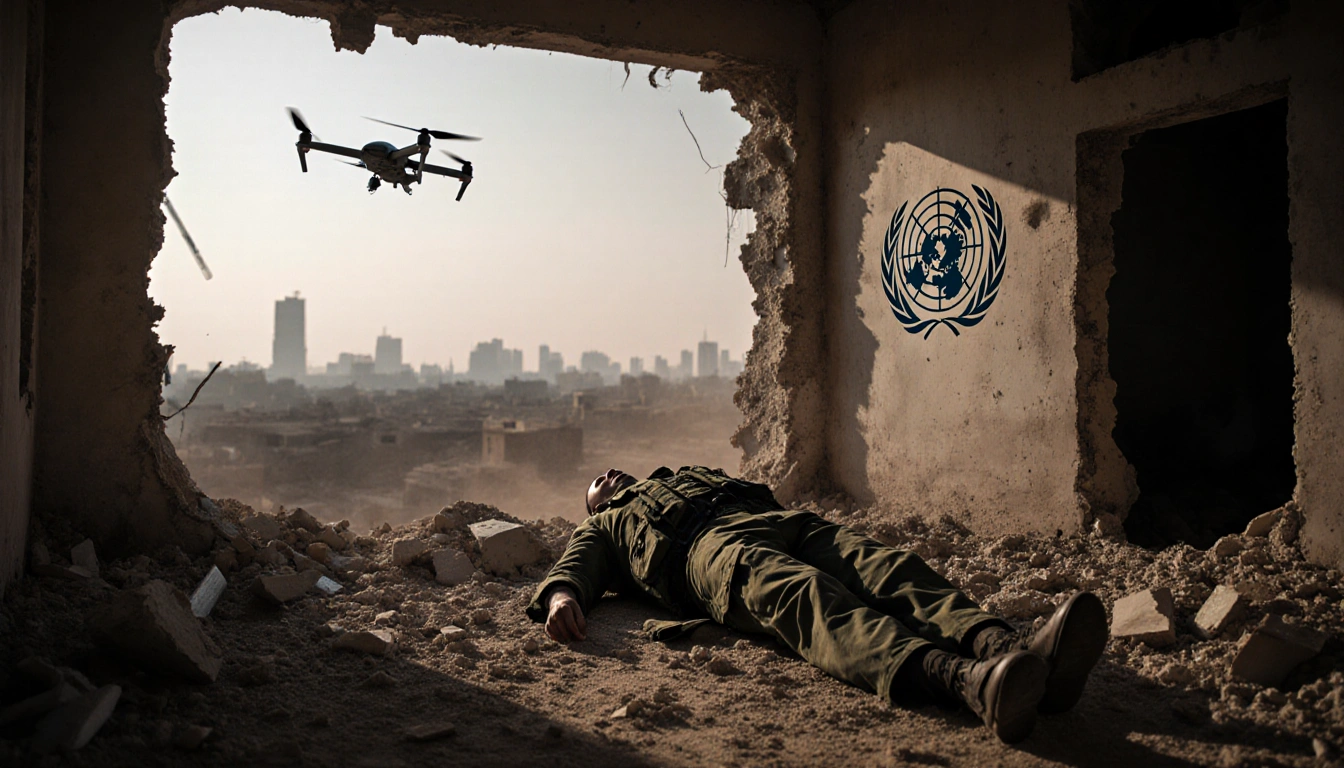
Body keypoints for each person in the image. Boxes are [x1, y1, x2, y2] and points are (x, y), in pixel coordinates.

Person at [526, 466, 1108, 744]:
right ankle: (969, 683)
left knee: (886, 566)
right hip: (709, 553)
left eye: (607, 473)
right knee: (807, 598)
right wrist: (559, 597)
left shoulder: (685, 473)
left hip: (778, 520)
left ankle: (1013, 652)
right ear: (593, 506)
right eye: (595, 483)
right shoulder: (606, 525)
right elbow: (574, 568)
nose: (606, 475)